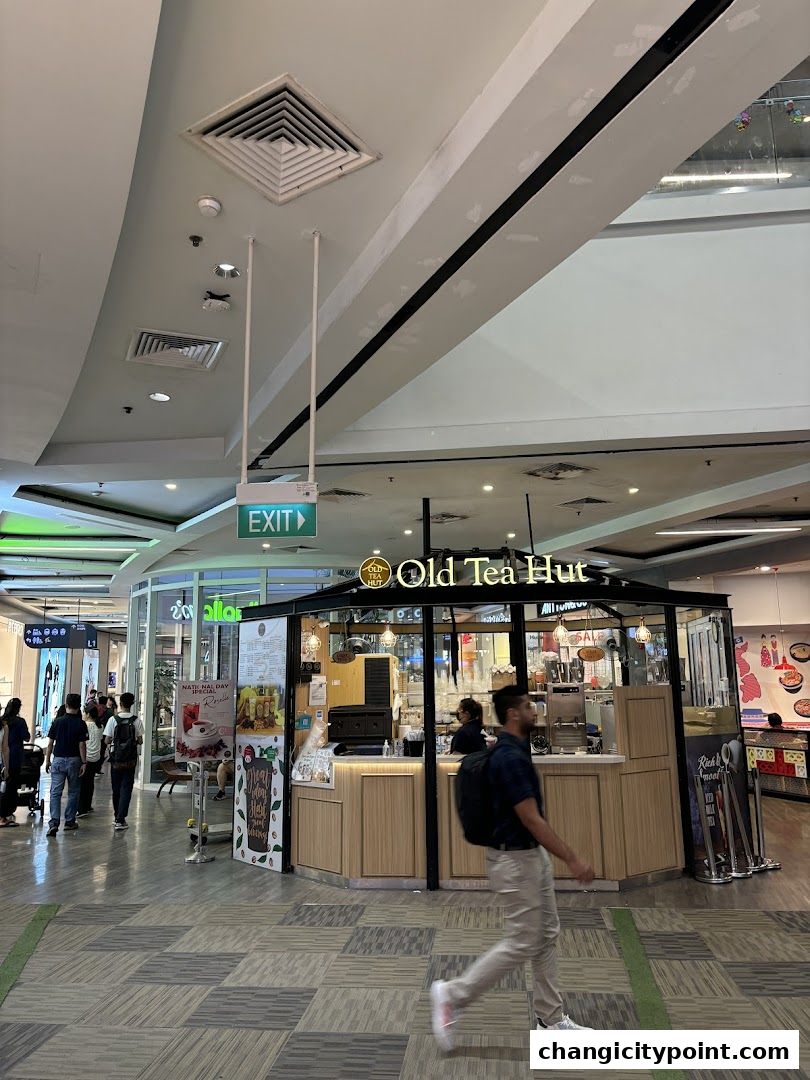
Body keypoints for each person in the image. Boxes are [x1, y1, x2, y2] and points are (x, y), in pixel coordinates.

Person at [431, 685, 595, 1051]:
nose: (535, 710)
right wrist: (572, 858)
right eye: (528, 706)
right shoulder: (510, 759)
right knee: (523, 941)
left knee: (545, 934)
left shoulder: (513, 750)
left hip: (528, 857)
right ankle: (452, 995)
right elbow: (531, 818)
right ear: (512, 714)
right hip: (515, 862)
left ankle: (550, 1019)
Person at [45, 693, 88, 836]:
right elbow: (82, 745)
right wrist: (84, 762)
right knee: (73, 791)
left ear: (66, 704)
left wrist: (47, 760)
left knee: (55, 792)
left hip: (58, 759)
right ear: (79, 706)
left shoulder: (57, 722)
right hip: (74, 760)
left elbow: (50, 743)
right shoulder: (81, 724)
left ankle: (54, 822)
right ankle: (69, 821)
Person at [104, 692, 143, 831]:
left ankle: (116, 816)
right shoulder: (137, 721)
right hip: (130, 760)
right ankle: (121, 819)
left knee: (116, 788)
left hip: (116, 759)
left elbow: (107, 740)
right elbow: (140, 740)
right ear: (132, 704)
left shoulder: (113, 720)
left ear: (120, 703)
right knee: (126, 788)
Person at [1, 699, 31, 827]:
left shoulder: (2, 721)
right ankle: (6, 812)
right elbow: (26, 737)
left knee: (2, 786)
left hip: (2, 759)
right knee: (11, 786)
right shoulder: (20, 722)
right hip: (15, 757)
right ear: (18, 708)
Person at [77, 705, 102, 817]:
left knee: (82, 784)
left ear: (88, 714)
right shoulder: (100, 726)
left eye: (84, 713)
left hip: (86, 757)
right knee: (90, 782)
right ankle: (88, 805)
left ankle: (81, 809)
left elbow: (82, 743)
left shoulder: (84, 725)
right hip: (95, 758)